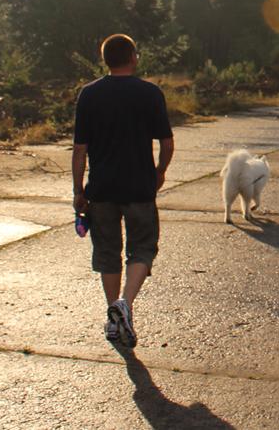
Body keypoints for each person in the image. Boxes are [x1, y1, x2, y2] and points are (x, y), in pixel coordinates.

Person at [72, 33, 174, 348]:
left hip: (101, 189)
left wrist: (78, 190)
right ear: (133, 57)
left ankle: (113, 316)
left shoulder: (88, 95)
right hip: (139, 187)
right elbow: (167, 143)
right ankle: (125, 305)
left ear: (105, 59)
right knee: (142, 248)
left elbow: (79, 151)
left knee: (107, 253)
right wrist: (159, 172)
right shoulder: (150, 93)